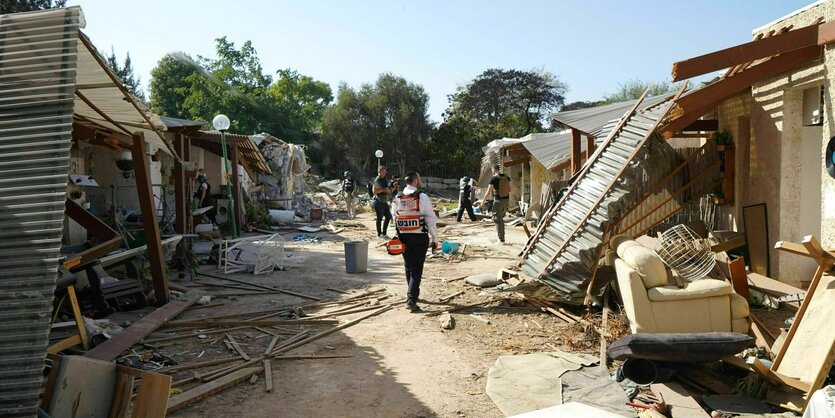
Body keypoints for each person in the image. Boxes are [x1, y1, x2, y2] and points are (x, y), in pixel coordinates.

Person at [391, 171, 438, 311]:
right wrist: (435, 239)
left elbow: (394, 216)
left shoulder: (398, 197)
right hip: (419, 236)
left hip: (403, 236)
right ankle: (411, 299)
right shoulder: (422, 197)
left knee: (408, 266)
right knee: (417, 268)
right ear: (416, 181)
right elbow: (430, 219)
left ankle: (412, 292)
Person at [481, 164, 511, 243]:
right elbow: (510, 189)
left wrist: (483, 201)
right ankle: (502, 237)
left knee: (497, 219)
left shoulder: (494, 178)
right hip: (506, 200)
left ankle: (501, 240)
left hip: (498, 200)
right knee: (501, 219)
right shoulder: (507, 177)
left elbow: (488, 191)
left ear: (494, 170)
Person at [372, 165, 394, 239]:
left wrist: (389, 190)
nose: (385, 173)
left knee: (388, 217)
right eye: (383, 171)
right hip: (379, 201)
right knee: (379, 218)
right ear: (379, 171)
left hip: (384, 201)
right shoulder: (377, 180)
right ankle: (379, 234)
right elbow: (374, 191)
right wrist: (384, 190)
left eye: (385, 171)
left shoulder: (384, 179)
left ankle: (384, 233)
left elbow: (387, 189)